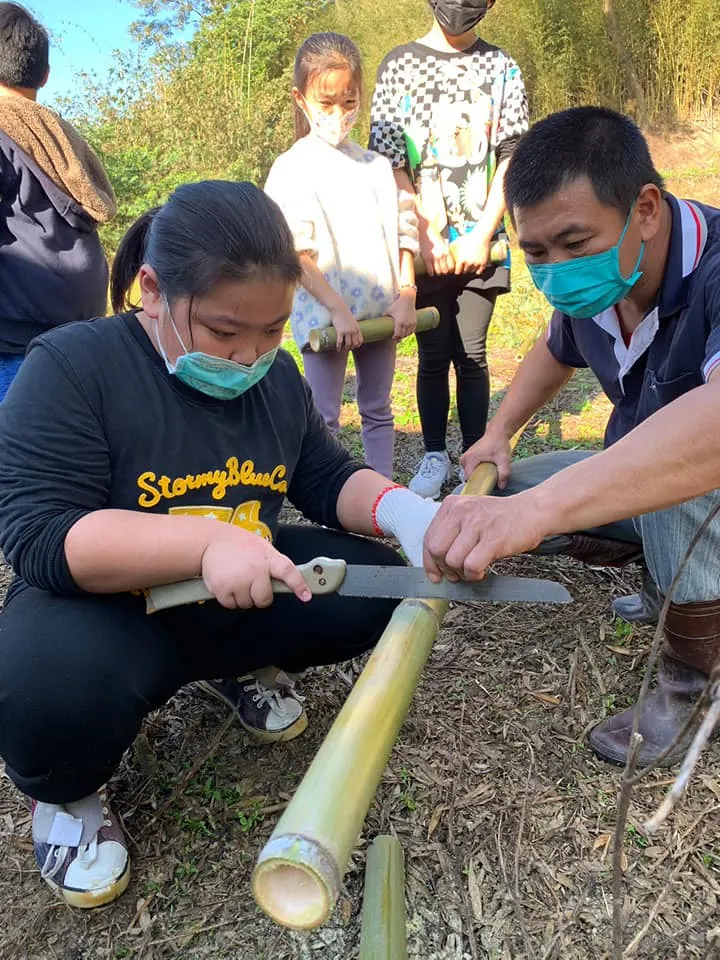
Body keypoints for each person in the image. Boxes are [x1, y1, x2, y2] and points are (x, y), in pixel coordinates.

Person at [0, 181, 440, 907]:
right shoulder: (74, 368)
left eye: (271, 331)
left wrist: (405, 512)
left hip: (235, 588)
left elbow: (323, 475)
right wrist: (204, 542)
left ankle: (236, 666)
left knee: (371, 586)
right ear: (151, 290)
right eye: (224, 331)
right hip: (109, 608)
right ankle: (70, 799)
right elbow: (43, 537)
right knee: (39, 689)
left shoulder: (272, 379)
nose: (249, 355)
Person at [423, 107, 720, 768]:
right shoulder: (601, 283)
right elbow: (556, 349)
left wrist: (538, 513)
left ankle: (691, 681)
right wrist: (499, 433)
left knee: (673, 478)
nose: (555, 270)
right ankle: (669, 582)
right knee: (511, 485)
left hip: (704, 480)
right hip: (659, 483)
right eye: (535, 253)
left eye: (573, 244)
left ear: (645, 208)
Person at [369, 0, 529, 498]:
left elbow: (513, 154)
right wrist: (424, 235)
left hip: (483, 243)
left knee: (473, 352)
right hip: (420, 250)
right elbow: (391, 162)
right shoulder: (399, 65)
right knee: (433, 354)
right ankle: (435, 454)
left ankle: (475, 455)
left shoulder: (502, 68)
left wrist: (483, 232)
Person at [264, 32, 419, 480]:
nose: (338, 116)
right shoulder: (292, 168)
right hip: (323, 319)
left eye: (348, 103)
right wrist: (336, 309)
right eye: (327, 104)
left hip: (380, 314)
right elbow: (293, 251)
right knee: (325, 417)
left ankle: (383, 500)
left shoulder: (374, 166)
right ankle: (332, 505)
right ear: (301, 98)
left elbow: (402, 231)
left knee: (377, 408)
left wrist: (406, 292)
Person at [0, 2, 115, 400]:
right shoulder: (63, 138)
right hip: (83, 327)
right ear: (45, 75)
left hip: (16, 336)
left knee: (13, 455)